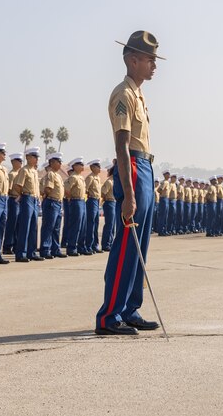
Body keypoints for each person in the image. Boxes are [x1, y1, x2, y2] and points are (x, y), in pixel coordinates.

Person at [96, 30, 163, 335]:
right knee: (126, 246)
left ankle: (129, 308)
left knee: (140, 246)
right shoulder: (123, 94)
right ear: (132, 60)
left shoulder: (138, 94)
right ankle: (109, 316)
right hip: (133, 167)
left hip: (145, 166)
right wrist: (130, 194)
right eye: (150, 59)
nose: (154, 65)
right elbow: (122, 146)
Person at [12, 146, 43, 262]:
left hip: (34, 199)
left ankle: (31, 252)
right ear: (28, 157)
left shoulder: (34, 171)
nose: (37, 159)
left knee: (33, 227)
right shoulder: (24, 170)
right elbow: (17, 185)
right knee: (25, 227)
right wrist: (23, 195)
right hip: (27, 198)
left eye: (37, 157)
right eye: (34, 157)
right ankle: (21, 253)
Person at [39, 152, 67, 259]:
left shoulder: (58, 175)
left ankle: (55, 249)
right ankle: (45, 249)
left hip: (58, 203)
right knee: (48, 227)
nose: (60, 164)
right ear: (52, 163)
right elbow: (48, 188)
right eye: (58, 162)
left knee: (56, 228)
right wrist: (47, 195)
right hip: (52, 202)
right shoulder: (50, 174)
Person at [65, 157, 90, 256]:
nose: (82, 166)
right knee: (75, 226)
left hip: (82, 201)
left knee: (83, 226)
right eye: (80, 164)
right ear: (75, 166)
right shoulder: (73, 177)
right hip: (76, 201)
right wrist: (71, 198)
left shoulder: (80, 177)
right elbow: (66, 190)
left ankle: (81, 247)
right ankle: (71, 247)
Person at [3, 152, 24, 254]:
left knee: (19, 224)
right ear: (13, 162)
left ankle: (16, 244)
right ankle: (7, 245)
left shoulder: (20, 173)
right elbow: (9, 189)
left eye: (21, 161)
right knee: (12, 223)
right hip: (14, 199)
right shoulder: (11, 174)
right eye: (18, 161)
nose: (20, 163)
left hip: (20, 200)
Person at [84, 159, 103, 253]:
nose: (100, 168)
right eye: (98, 166)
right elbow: (85, 189)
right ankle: (88, 245)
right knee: (90, 224)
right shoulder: (90, 178)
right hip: (91, 200)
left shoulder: (98, 178)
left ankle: (95, 245)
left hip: (97, 201)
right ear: (92, 167)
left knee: (95, 224)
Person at [100, 164, 117, 251]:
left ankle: (110, 242)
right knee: (109, 224)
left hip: (114, 203)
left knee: (113, 225)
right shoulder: (109, 182)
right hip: (109, 202)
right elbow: (103, 193)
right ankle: (105, 244)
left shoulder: (115, 181)